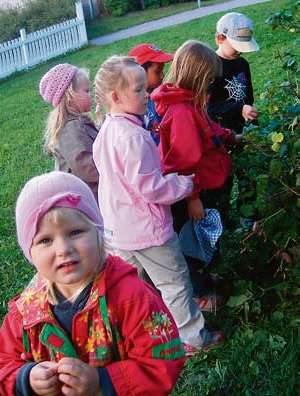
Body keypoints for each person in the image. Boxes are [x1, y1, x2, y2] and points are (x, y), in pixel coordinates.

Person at [0, 171, 187, 396]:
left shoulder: (133, 298)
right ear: (30, 252)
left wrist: (102, 381)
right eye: (45, 240)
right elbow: (5, 365)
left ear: (98, 233)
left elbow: (163, 361)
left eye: (75, 232)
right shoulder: (24, 314)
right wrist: (27, 378)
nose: (63, 249)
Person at [93, 54, 223, 356]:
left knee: (128, 288)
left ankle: (128, 337)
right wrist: (184, 183)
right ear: (116, 96)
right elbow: (151, 188)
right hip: (150, 231)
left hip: (119, 230)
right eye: (138, 90)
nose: (147, 94)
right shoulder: (134, 137)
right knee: (175, 284)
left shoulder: (106, 131)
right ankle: (193, 339)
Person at [151, 40, 243, 311]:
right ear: (198, 77)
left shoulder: (189, 103)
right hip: (197, 192)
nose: (211, 86)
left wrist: (229, 137)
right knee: (196, 242)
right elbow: (182, 162)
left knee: (208, 237)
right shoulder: (180, 112)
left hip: (205, 186)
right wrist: (192, 198)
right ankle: (200, 295)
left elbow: (208, 127)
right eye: (209, 80)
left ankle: (206, 275)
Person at [40, 63, 99, 202]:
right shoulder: (69, 129)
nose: (91, 95)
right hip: (85, 198)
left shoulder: (78, 121)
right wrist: (114, 174)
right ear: (69, 96)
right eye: (86, 91)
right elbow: (87, 168)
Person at [207, 12, 260, 134]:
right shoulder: (211, 68)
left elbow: (248, 95)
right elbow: (212, 106)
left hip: (246, 123)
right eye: (236, 46)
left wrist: (249, 112)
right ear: (219, 38)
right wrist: (239, 109)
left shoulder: (242, 63)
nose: (240, 51)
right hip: (224, 129)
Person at [128, 43, 173, 145]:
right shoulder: (132, 106)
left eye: (162, 70)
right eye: (158, 71)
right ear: (139, 73)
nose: (162, 75)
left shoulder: (161, 93)